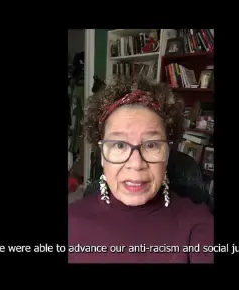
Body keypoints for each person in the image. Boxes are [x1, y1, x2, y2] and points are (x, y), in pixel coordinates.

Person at [68, 76, 214, 263]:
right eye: (119, 145)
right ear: (102, 156)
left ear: (167, 153)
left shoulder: (197, 224)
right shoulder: (72, 219)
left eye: (151, 145)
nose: (136, 164)